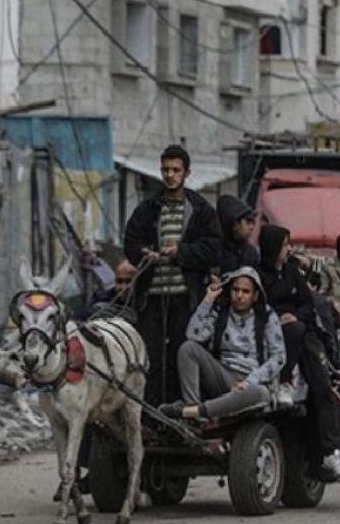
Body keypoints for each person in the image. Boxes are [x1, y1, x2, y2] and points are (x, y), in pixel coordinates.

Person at [122, 145, 222, 406]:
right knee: (149, 358)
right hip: (151, 300)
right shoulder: (147, 209)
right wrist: (146, 254)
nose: (170, 175)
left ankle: (180, 414)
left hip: (185, 299)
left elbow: (213, 247)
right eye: (166, 170)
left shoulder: (200, 209)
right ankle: (150, 415)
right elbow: (130, 242)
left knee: (182, 355)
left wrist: (181, 252)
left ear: (186, 173)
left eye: (175, 170)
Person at [257, 225, 340, 474]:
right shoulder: (256, 275)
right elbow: (256, 307)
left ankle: (332, 452)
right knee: (293, 330)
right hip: (271, 334)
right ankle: (284, 382)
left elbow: (309, 304)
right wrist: (278, 318)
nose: (289, 249)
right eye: (285, 245)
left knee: (323, 386)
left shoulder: (292, 272)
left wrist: (293, 315)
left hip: (302, 333)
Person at [164, 268, 288, 421]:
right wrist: (207, 300)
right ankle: (193, 408)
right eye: (235, 290)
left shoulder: (267, 316)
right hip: (223, 374)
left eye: (246, 291)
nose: (239, 296)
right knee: (188, 348)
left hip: (251, 379)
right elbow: (193, 335)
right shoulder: (221, 312)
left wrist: (250, 381)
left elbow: (279, 357)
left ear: (255, 296)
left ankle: (192, 412)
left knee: (261, 394)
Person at [216, 195, 260, 276]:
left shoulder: (251, 253)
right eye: (248, 222)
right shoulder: (216, 252)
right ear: (235, 225)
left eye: (253, 223)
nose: (252, 227)